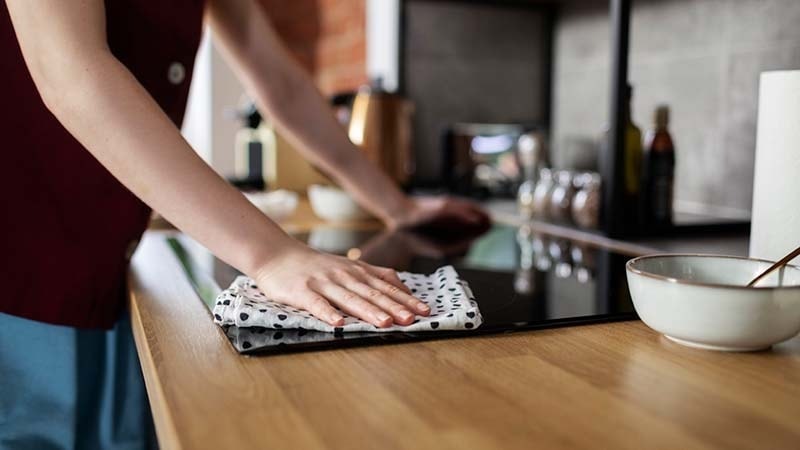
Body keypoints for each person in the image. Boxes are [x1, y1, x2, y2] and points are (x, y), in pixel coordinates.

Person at [0, 0, 487, 447]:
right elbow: (71, 74)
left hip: (101, 260)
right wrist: (272, 254)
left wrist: (396, 206)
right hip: (18, 270)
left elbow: (283, 85)